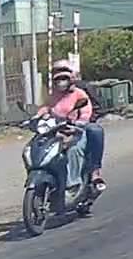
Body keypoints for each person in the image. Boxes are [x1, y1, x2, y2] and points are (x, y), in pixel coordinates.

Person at [38, 60, 105, 189]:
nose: (61, 82)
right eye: (58, 79)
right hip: (56, 131)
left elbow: (86, 111)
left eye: (64, 78)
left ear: (71, 78)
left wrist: (78, 122)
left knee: (74, 150)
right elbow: (46, 108)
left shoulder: (79, 93)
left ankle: (73, 184)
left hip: (75, 130)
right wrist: (38, 116)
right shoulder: (53, 96)